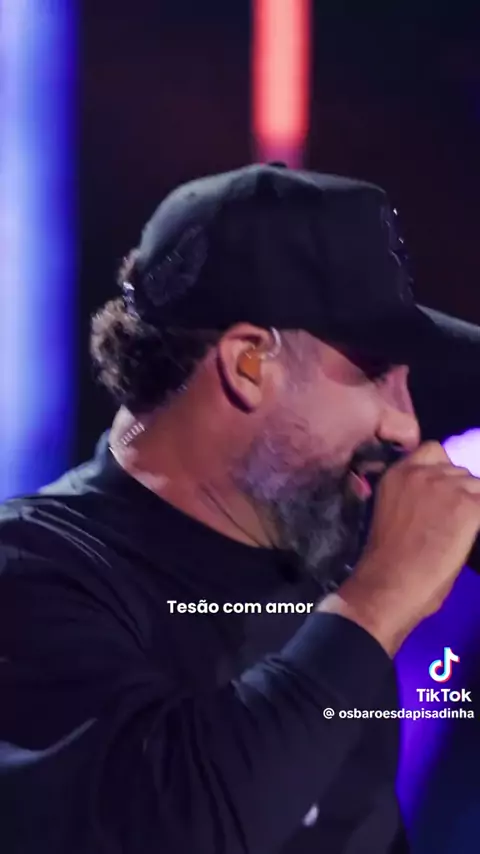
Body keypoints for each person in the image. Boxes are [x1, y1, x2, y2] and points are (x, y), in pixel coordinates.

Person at [2, 163, 480, 854]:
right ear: (249, 363)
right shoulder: (32, 575)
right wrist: (379, 600)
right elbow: (170, 827)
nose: (405, 426)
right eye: (376, 374)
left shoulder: (319, 581)